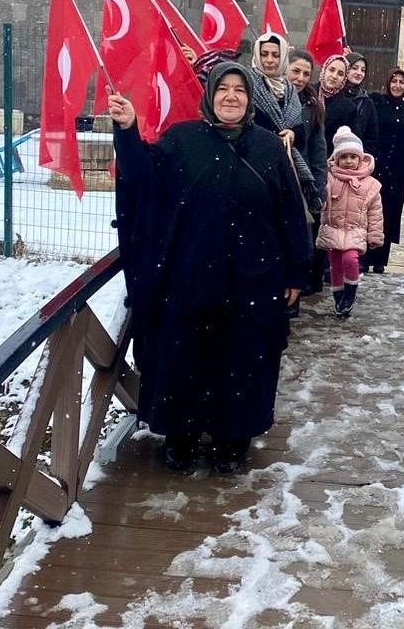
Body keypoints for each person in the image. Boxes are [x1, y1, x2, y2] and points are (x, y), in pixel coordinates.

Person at [108, 61, 311, 475]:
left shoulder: (270, 147)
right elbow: (142, 178)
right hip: (190, 276)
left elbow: (290, 211)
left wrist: (297, 271)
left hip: (253, 279)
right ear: (210, 95)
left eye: (239, 89)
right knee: (186, 358)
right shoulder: (182, 140)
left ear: (250, 99)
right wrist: (128, 131)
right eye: (223, 89)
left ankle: (231, 440)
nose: (231, 96)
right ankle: (180, 437)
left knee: (242, 360)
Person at [248, 32, 321, 219]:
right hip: (253, 169)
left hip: (285, 170)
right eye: (264, 54)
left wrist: (293, 135)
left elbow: (302, 135)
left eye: (276, 55)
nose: (269, 60)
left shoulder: (288, 90)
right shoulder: (247, 84)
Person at [316, 125, 384, 317]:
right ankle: (339, 297)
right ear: (336, 159)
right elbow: (321, 201)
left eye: (352, 157)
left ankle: (350, 292)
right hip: (334, 228)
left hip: (355, 230)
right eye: (343, 157)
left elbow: (375, 213)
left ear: (360, 159)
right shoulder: (329, 179)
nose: (348, 161)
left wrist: (375, 235)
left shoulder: (370, 184)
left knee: (350, 259)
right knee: (335, 263)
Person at [286, 49, 329, 297]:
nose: (300, 78)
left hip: (303, 183)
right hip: (276, 178)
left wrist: (319, 187)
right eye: (296, 71)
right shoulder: (271, 99)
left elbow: (318, 151)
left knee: (300, 239)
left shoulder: (312, 107)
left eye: (306, 73)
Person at [366, 68, 404, 273]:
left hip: (397, 172)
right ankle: (365, 257)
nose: (397, 85)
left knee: (389, 215)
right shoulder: (376, 102)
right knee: (370, 213)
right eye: (394, 81)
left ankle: (380, 260)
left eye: (401, 83)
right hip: (377, 168)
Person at [321, 53, 379, 156]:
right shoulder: (326, 94)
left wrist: (358, 155)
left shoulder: (366, 102)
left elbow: (371, 137)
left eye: (363, 70)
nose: (359, 73)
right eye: (354, 68)